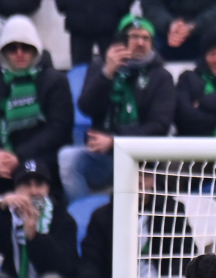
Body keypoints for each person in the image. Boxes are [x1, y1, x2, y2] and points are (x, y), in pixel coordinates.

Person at [61, 15, 174, 203]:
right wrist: (107, 74)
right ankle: (84, 214)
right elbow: (86, 107)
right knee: (67, 159)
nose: (140, 42)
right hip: (104, 157)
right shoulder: (100, 68)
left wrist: (117, 141)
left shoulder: (161, 76)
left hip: (144, 159)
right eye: (134, 36)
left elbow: (159, 125)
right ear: (122, 40)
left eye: (146, 38)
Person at [0, 17, 74, 192]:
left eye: (25, 47)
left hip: (43, 155)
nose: (19, 53)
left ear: (35, 49)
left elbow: (59, 129)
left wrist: (19, 155)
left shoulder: (55, 81)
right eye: (12, 48)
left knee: (31, 172)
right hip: (5, 157)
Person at [141, 0, 216, 62]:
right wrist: (169, 25)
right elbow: (151, 5)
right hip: (168, 30)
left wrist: (195, 26)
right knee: (140, 34)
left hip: (210, 26)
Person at [69, 196, 112, 278]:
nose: (139, 181)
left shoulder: (170, 212)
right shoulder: (102, 216)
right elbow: (90, 256)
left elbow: (177, 256)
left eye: (144, 176)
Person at [56, 0, 136, 67]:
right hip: (79, 23)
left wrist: (120, 5)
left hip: (110, 23)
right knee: (80, 72)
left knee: (115, 67)